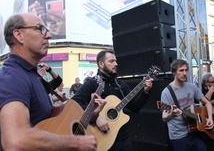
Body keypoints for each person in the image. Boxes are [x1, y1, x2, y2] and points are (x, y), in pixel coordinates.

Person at [0, 13, 106, 151]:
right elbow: (16, 141)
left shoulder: (31, 75)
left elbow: (53, 125)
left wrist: (90, 116)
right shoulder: (13, 77)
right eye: (40, 29)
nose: (48, 36)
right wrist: (76, 143)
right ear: (19, 35)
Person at [72, 50, 154, 151]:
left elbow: (135, 107)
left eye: (115, 61)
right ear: (101, 64)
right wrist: (96, 117)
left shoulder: (121, 85)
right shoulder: (92, 83)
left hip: (123, 139)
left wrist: (145, 92)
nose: (116, 64)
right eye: (111, 61)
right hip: (99, 139)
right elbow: (74, 103)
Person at [161, 59, 213, 151]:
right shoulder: (167, 92)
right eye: (181, 70)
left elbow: (207, 102)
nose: (184, 73)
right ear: (174, 73)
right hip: (178, 136)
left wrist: (209, 118)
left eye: (186, 70)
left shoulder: (191, 87)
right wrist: (172, 114)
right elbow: (164, 117)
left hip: (194, 130)